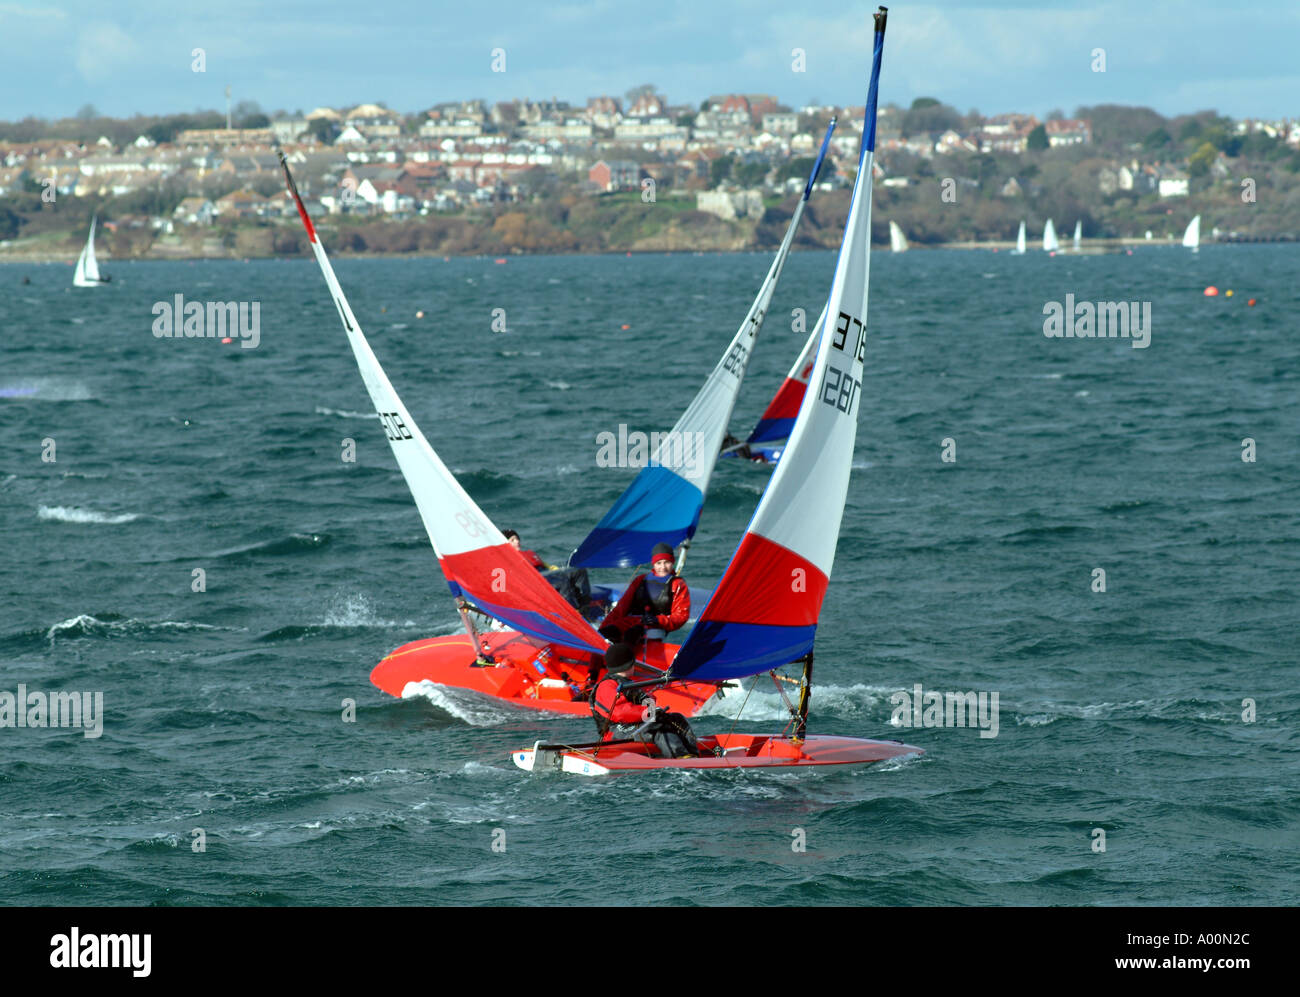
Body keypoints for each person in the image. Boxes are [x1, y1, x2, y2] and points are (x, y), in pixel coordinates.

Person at [589, 643, 700, 758]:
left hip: (636, 725)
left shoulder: (629, 683)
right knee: (656, 727)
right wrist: (648, 712)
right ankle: (680, 758)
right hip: (615, 733)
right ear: (630, 664)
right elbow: (620, 712)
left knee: (677, 718)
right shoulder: (606, 686)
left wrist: (650, 700)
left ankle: (694, 754)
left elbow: (647, 708)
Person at [598, 541, 689, 646]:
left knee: (631, 635)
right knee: (604, 634)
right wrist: (600, 630)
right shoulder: (640, 580)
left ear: (672, 562)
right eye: (659, 563)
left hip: (656, 626)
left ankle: (624, 660)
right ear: (653, 564)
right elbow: (620, 609)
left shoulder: (678, 584)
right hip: (631, 621)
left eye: (666, 562)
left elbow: (681, 616)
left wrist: (659, 620)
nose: (663, 567)